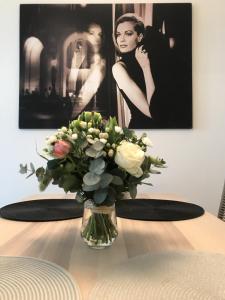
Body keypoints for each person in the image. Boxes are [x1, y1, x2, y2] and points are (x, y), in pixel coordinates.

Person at [112, 13, 171, 129]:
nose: (121, 39)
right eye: (118, 34)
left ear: (139, 36)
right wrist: (145, 67)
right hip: (142, 132)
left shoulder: (151, 57)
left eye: (128, 34)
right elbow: (153, 113)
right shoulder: (119, 68)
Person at [70, 23, 106, 119]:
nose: (97, 38)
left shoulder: (103, 63)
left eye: (100, 34)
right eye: (92, 33)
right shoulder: (81, 60)